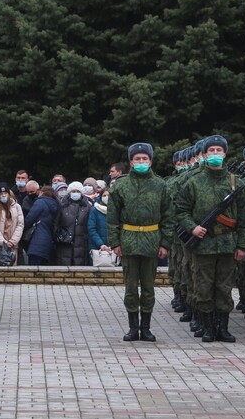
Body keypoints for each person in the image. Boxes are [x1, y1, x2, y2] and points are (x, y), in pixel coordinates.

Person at [176, 135, 245, 343]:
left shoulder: (237, 183)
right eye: (212, 151)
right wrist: (193, 228)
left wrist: (242, 245)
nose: (215, 155)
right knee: (203, 286)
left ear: (225, 154)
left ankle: (223, 328)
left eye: (219, 151)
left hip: (228, 243)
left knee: (225, 287)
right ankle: (208, 327)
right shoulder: (194, 182)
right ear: (205, 155)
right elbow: (181, 211)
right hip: (204, 244)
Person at [107, 142, 173, 342]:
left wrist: (165, 244)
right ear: (131, 162)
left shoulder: (161, 185)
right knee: (130, 286)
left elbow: (168, 216)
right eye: (138, 159)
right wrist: (115, 243)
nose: (142, 162)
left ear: (151, 161)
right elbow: (112, 217)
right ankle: (132, 327)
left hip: (151, 241)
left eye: (145, 159)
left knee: (148, 287)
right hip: (128, 241)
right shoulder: (121, 185)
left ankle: (146, 328)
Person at [54, 182, 91, 266]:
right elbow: (56, 223)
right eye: (73, 191)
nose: (75, 193)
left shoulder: (87, 207)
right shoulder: (62, 205)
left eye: (78, 191)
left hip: (81, 244)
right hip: (64, 244)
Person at [0, 184, 24, 266]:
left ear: (9, 194)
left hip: (13, 245)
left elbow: (20, 225)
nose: (3, 195)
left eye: (5, 193)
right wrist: (3, 242)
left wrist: (13, 241)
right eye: (1, 194)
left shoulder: (17, 207)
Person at [24, 186, 59, 265]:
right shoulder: (55, 204)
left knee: (33, 269)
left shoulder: (40, 202)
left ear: (42, 192)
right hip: (48, 240)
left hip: (37, 241)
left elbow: (30, 219)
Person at [88, 188, 110, 252]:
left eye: (109, 195)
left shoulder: (116, 210)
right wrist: (100, 244)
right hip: (97, 247)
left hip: (113, 247)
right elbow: (91, 228)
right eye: (104, 195)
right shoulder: (95, 210)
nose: (107, 197)